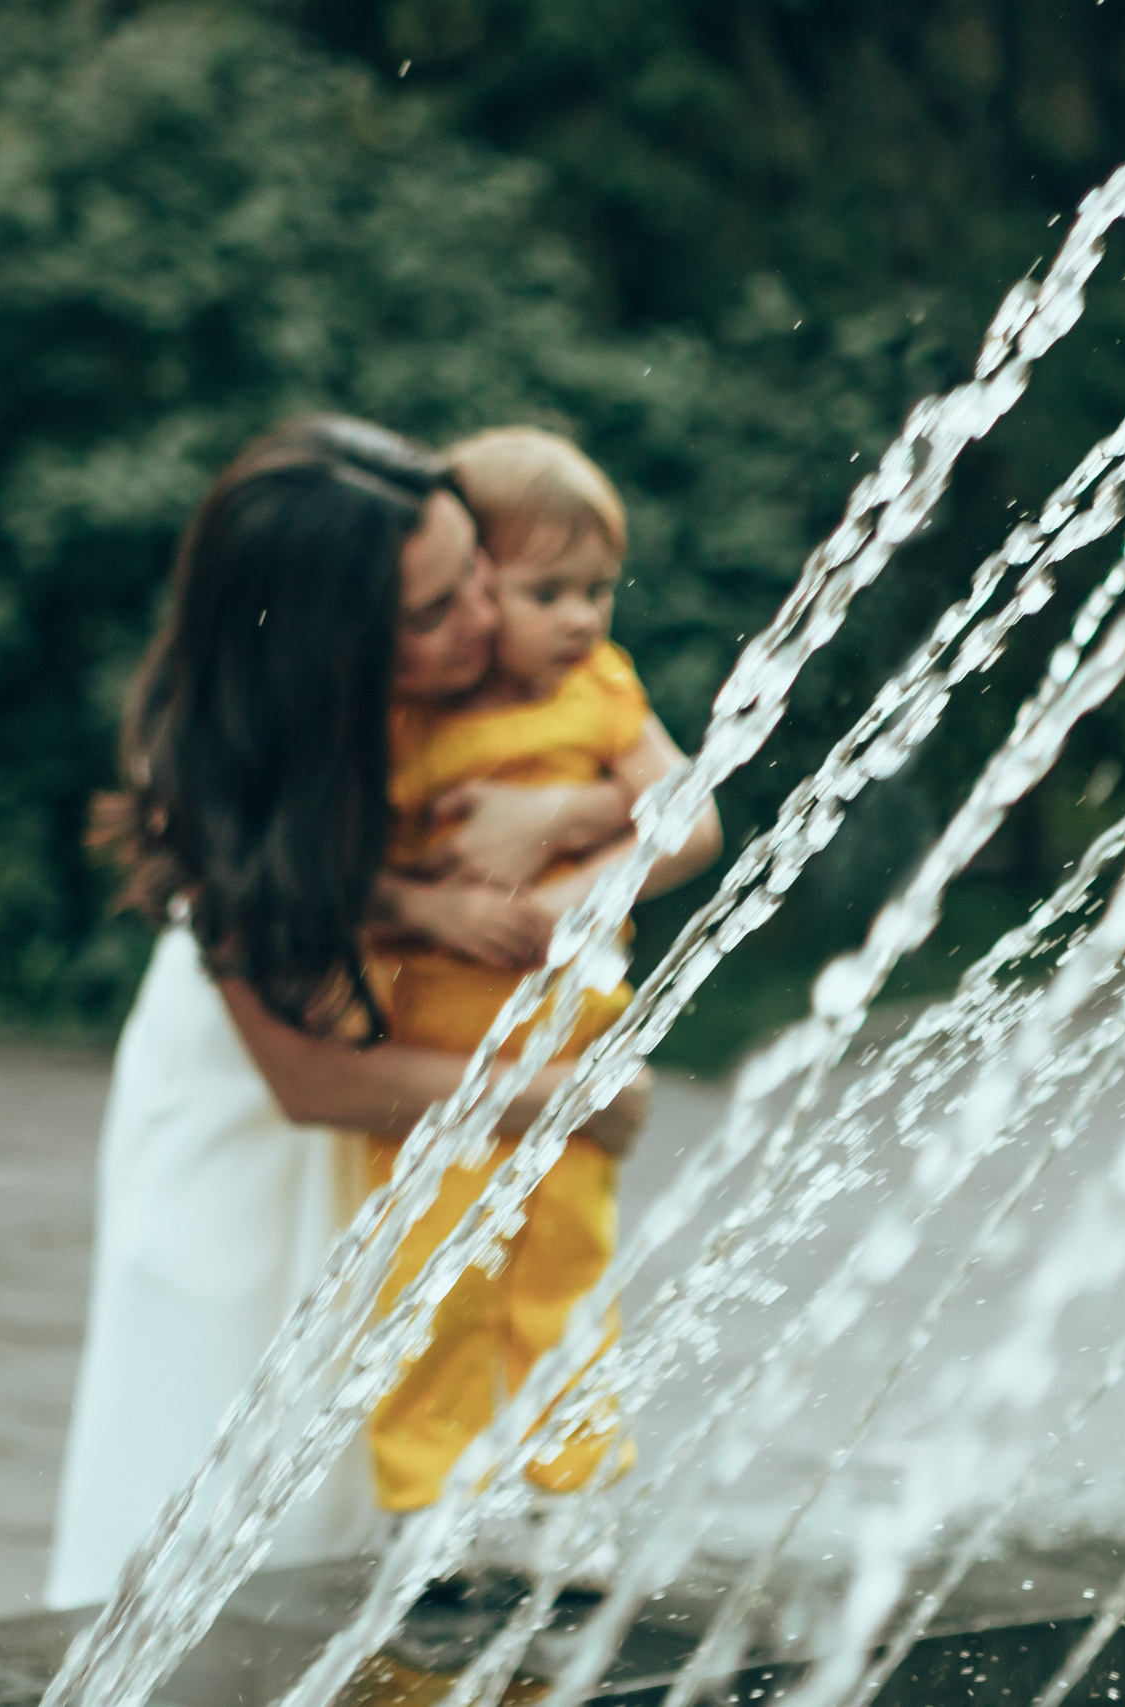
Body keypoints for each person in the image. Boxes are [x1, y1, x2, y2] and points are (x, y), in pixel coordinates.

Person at [42, 416, 649, 1610]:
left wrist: (570, 823)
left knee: (422, 1431)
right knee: (227, 1479)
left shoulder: (517, 678)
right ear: (330, 649)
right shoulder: (229, 776)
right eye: (430, 614)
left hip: (424, 1103)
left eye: (473, 572)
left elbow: (664, 801)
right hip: (260, 1131)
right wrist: (558, 1103)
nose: (481, 621)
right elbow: (307, 1082)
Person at [358, 426, 723, 1519]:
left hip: (568, 1041)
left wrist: (572, 890)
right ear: (477, 585)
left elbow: (690, 818)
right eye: (547, 590)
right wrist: (436, 908)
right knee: (433, 1282)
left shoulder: (601, 692)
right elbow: (339, 878)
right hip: (434, 1054)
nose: (581, 616)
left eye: (599, 588)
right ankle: (425, 1502)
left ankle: (569, 1493)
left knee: (566, 1272)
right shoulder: (400, 715)